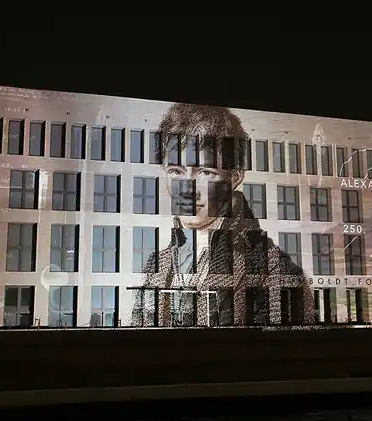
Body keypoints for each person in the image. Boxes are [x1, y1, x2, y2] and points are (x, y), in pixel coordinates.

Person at [134, 103, 314, 328]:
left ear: (235, 177)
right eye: (176, 172)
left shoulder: (276, 270)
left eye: (205, 172)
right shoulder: (155, 265)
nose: (188, 189)